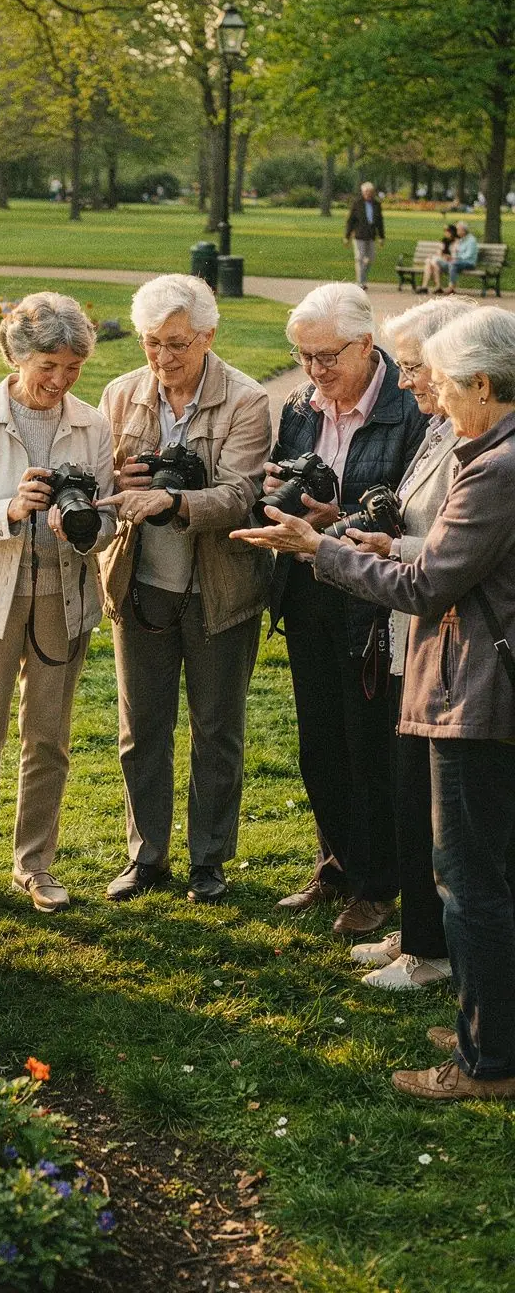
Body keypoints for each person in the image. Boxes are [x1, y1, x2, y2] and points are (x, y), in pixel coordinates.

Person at [232, 304, 515, 1100]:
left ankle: (486, 1063)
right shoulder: (491, 448)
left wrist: (317, 549)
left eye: (447, 385)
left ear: (485, 385)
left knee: (471, 879)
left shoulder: (495, 465)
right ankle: (487, 1024)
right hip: (480, 685)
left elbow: (427, 586)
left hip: (477, 692)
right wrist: (373, 540)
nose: (435, 399)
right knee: (489, 871)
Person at [0, 292, 115, 917]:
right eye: (48, 367)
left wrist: (87, 524)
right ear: (16, 355)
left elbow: (110, 517)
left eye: (73, 369)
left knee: (48, 738)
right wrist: (9, 511)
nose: (59, 382)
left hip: (62, 597)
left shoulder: (91, 423)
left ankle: (35, 866)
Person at [96, 274, 272, 905]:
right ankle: (146, 857)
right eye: (151, 343)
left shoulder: (246, 401)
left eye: (177, 343)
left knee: (216, 727)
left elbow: (240, 495)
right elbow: (98, 490)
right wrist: (115, 479)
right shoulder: (120, 396)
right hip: (140, 585)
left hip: (218, 588)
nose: (163, 358)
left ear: (208, 336)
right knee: (141, 728)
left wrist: (171, 499)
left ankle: (209, 860)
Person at [264, 284, 429, 938]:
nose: (314, 371)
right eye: (303, 357)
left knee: (369, 745)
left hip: (372, 596)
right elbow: (286, 479)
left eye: (326, 356)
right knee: (318, 742)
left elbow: (409, 510)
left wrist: (340, 521)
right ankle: (334, 862)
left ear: (366, 344)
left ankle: (377, 882)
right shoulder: (301, 407)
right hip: (306, 588)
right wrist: (277, 493)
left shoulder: (406, 409)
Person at [347, 297, 476, 989]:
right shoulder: (437, 431)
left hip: (445, 647)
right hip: (409, 638)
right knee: (409, 794)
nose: (404, 382)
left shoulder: (472, 442)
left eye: (415, 367)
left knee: (437, 809)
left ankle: (431, 953)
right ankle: (419, 934)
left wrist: (390, 545)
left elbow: (461, 550)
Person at [344, 182, 385, 290]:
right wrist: (347, 236)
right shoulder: (357, 203)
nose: (368, 194)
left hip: (371, 236)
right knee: (359, 258)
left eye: (370, 192)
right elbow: (350, 220)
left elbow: (380, 221)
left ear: (373, 192)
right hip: (359, 235)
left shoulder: (376, 204)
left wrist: (381, 237)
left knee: (370, 258)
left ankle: (362, 279)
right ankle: (360, 283)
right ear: (362, 192)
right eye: (366, 192)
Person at [430, 220, 478, 294]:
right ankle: (438, 286)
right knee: (438, 262)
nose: (456, 231)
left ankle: (451, 287)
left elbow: (469, 255)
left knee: (453, 264)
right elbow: (456, 252)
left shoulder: (471, 240)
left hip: (469, 263)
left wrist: (455, 258)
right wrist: (450, 257)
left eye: (458, 230)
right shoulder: (461, 239)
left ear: (463, 231)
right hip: (457, 262)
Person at [418, 224, 458, 294]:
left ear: (452, 232)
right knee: (429, 263)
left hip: (449, 263)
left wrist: (446, 256)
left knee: (432, 263)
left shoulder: (456, 242)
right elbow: (439, 251)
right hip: (441, 260)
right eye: (445, 231)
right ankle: (426, 286)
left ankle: (433, 286)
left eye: (447, 231)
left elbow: (455, 255)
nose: (445, 232)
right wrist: (439, 255)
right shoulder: (444, 240)